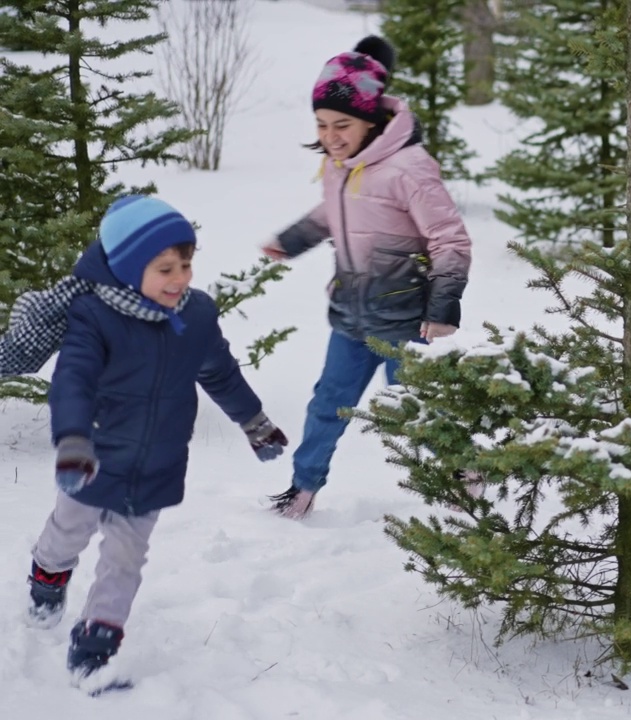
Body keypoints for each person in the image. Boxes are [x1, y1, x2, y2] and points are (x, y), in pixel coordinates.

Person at [25, 195, 289, 687]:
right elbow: (73, 381)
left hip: (157, 463)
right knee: (69, 531)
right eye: (165, 268)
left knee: (126, 556)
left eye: (185, 264)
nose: (180, 278)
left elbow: (221, 374)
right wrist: (73, 440)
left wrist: (254, 422)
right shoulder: (94, 316)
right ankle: (47, 574)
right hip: (93, 458)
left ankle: (95, 647)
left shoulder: (196, 317)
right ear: (126, 270)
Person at [262, 36, 472, 520]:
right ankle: (302, 488)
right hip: (351, 315)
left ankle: (464, 474)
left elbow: (450, 240)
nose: (331, 136)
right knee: (327, 405)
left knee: (419, 409)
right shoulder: (341, 165)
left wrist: (443, 310)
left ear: (371, 120)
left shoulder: (408, 169)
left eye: (342, 124)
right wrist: (294, 238)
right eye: (321, 124)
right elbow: (337, 212)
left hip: (403, 319)